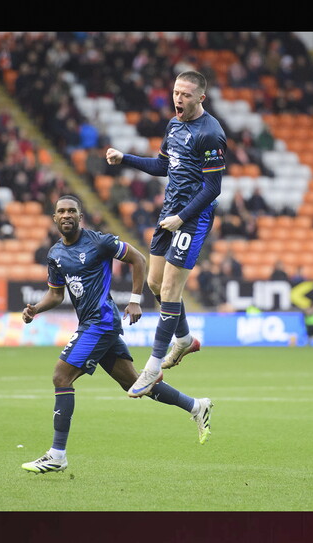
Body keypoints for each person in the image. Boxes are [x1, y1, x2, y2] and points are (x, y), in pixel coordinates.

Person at [19, 195, 214, 475]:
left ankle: (57, 455)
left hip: (101, 322)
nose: (66, 215)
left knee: (61, 377)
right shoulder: (55, 254)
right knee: (133, 382)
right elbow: (56, 294)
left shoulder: (99, 242)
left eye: (72, 211)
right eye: (61, 211)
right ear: (54, 218)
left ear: (80, 216)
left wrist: (134, 300)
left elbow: (138, 259)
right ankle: (196, 406)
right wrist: (35, 310)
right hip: (93, 323)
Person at [105, 70, 226, 395]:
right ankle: (184, 339)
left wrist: (182, 217)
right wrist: (125, 158)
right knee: (155, 283)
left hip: (193, 217)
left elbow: (213, 188)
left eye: (185, 95)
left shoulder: (211, 133)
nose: (178, 99)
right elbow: (163, 166)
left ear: (200, 98)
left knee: (171, 289)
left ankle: (152, 367)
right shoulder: (173, 125)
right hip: (170, 212)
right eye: (175, 93)